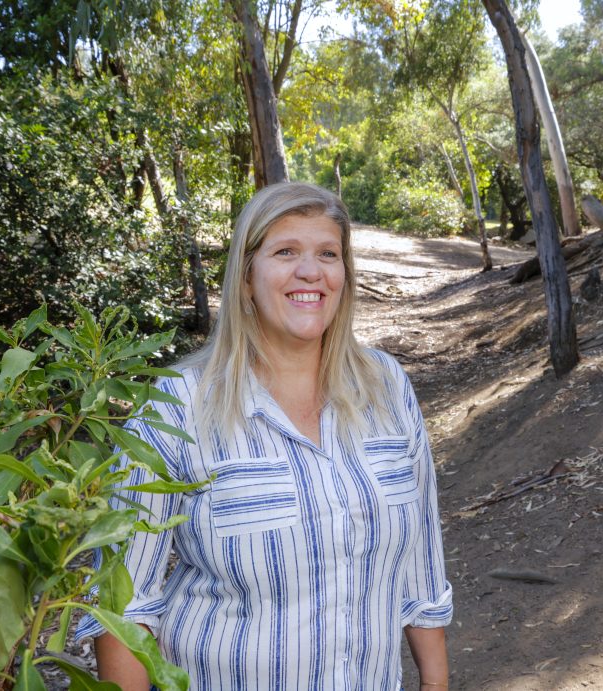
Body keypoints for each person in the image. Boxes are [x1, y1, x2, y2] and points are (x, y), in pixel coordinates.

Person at [75, 182, 453, 689]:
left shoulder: (385, 386)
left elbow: (421, 558)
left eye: (327, 254)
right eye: (285, 252)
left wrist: (434, 681)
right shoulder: (180, 404)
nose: (311, 272)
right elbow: (123, 606)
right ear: (247, 278)